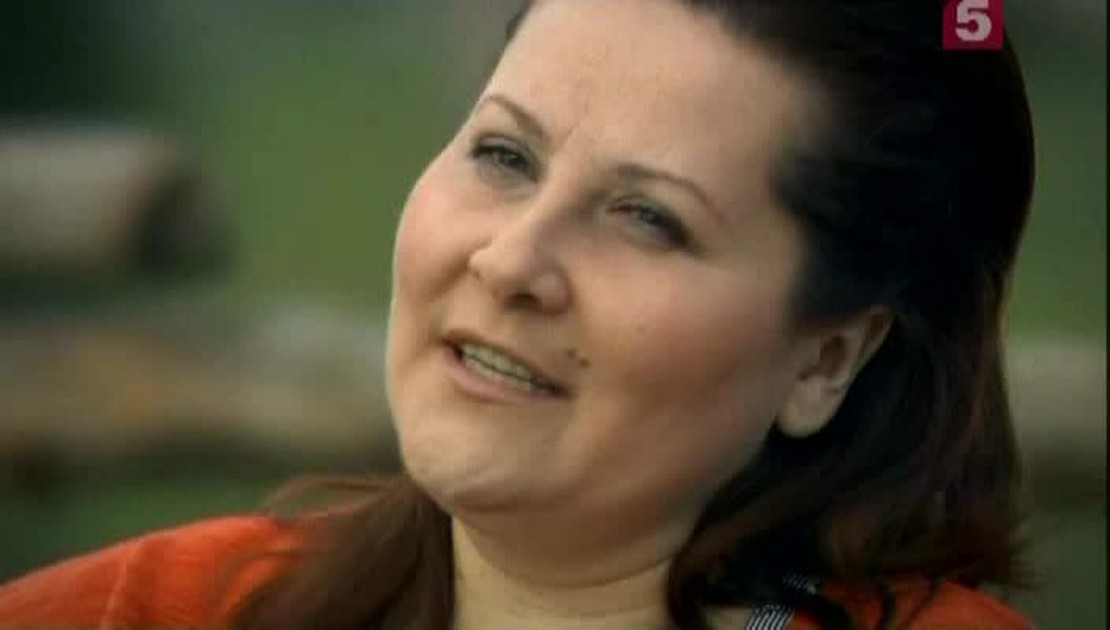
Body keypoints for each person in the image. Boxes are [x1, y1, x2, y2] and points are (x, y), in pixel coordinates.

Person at [0, 0, 1038, 628]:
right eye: (503, 154)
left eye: (648, 219)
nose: (509, 262)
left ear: (826, 359)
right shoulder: (150, 610)